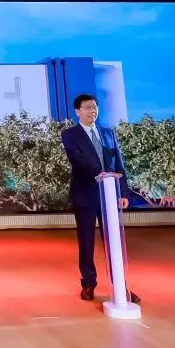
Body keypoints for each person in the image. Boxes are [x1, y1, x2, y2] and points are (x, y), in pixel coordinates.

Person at [60, 94, 141, 303]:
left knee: (113, 241)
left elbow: (118, 163)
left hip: (110, 195)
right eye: (87, 107)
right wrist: (101, 173)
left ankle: (121, 287)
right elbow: (77, 159)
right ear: (77, 111)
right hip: (85, 194)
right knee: (86, 241)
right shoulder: (70, 134)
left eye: (95, 107)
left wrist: (123, 192)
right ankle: (88, 283)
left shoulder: (107, 133)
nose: (92, 111)